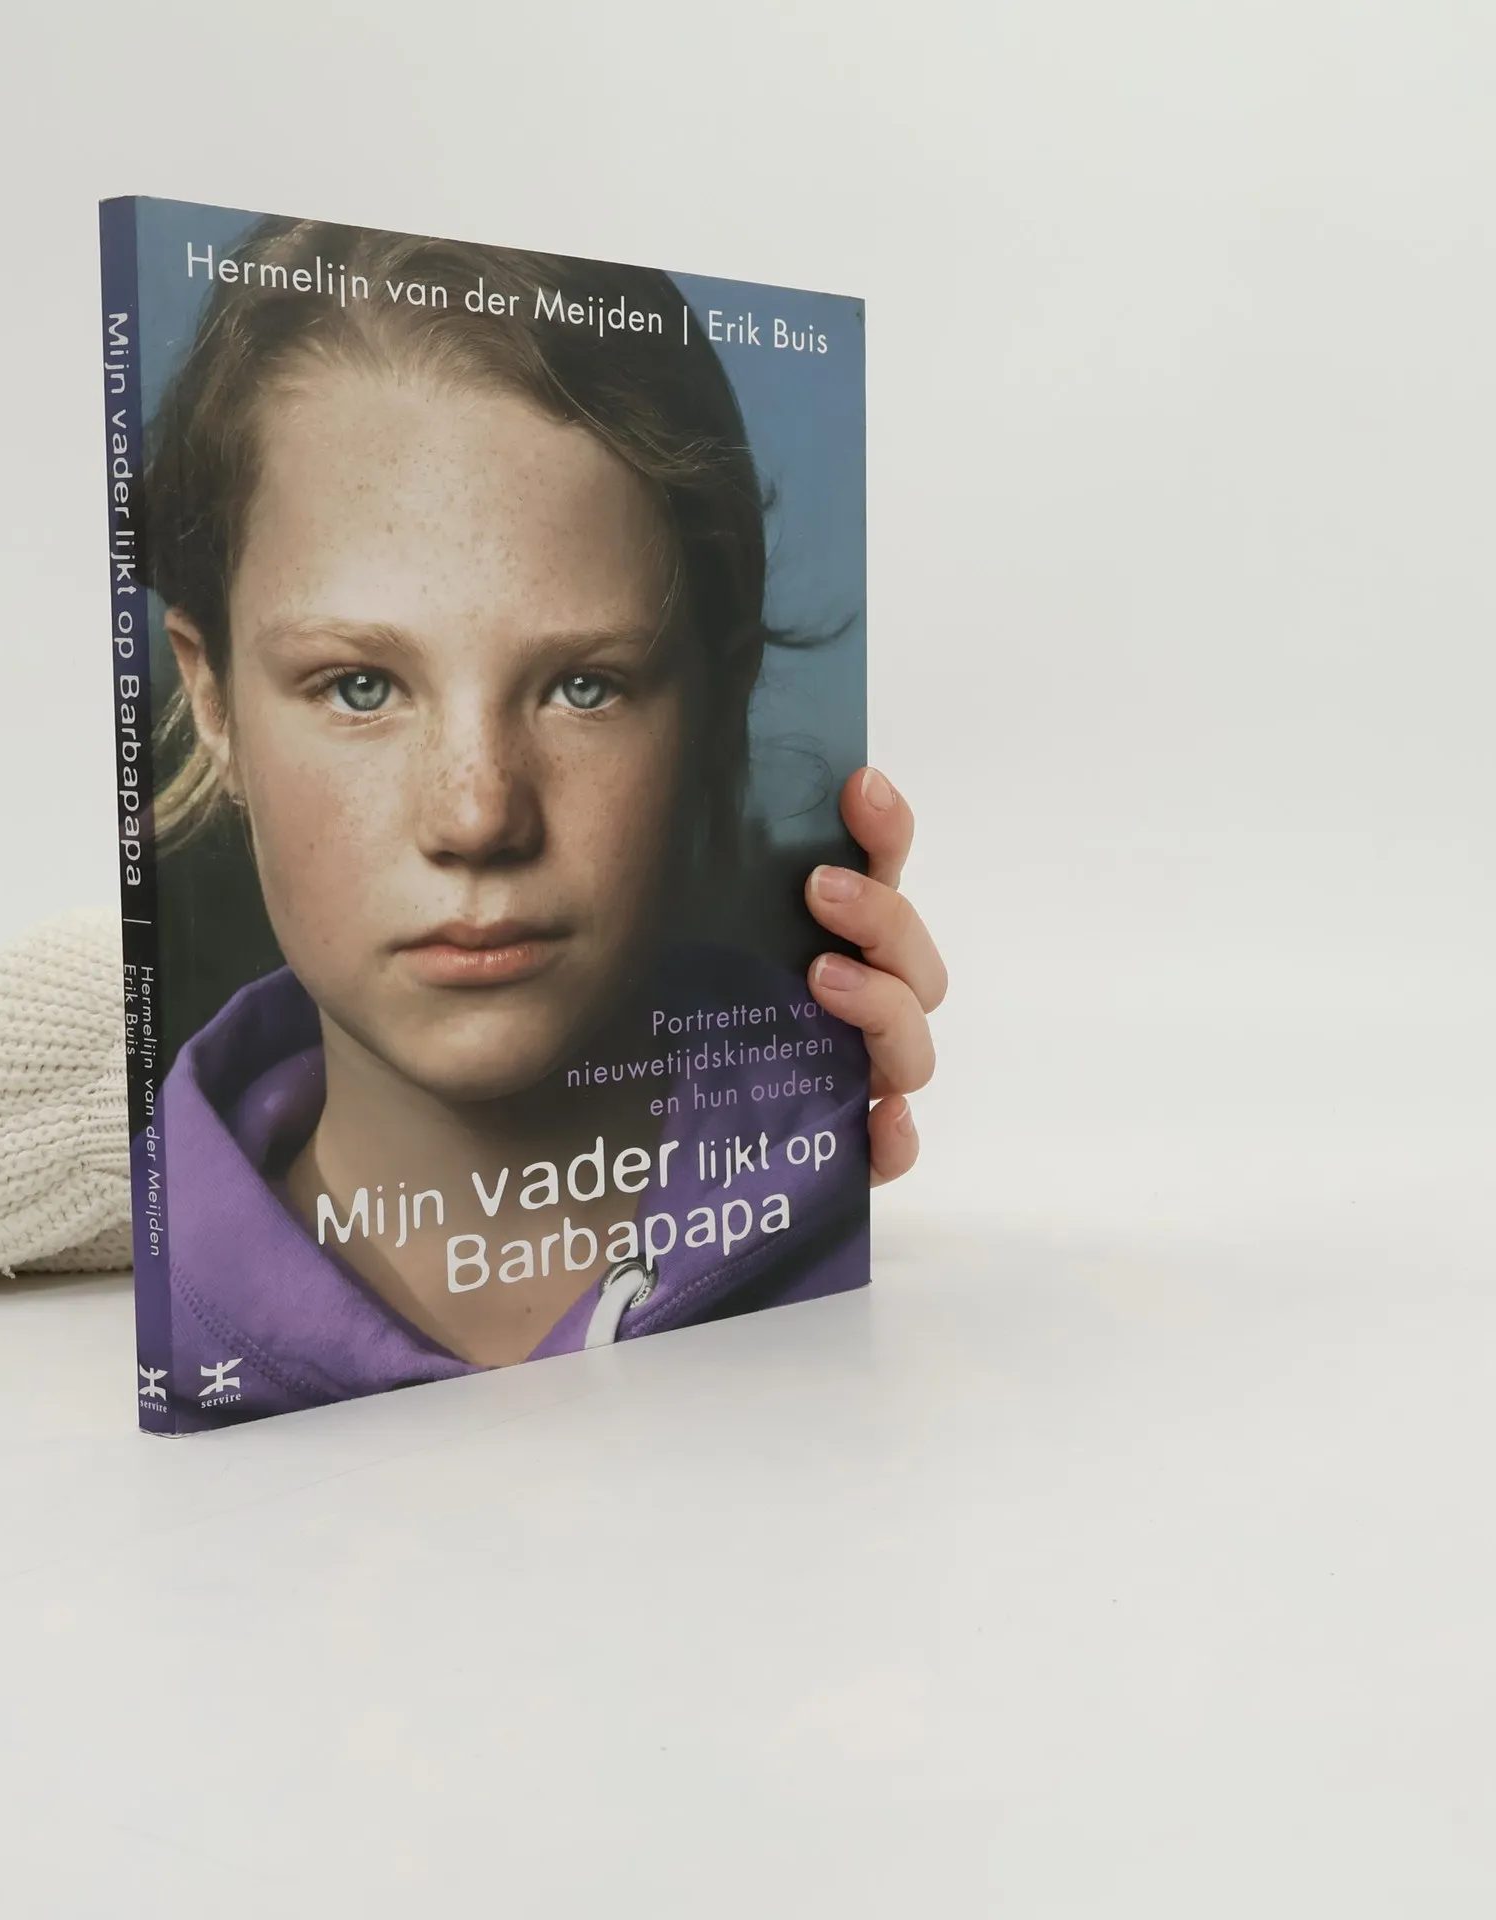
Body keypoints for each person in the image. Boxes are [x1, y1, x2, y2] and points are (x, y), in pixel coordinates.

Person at [138, 219, 945, 1424]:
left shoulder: (833, 1189)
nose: (477, 816)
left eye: (583, 686)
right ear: (212, 699)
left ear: (718, 699)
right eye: (360, 687)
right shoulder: (150, 1329)